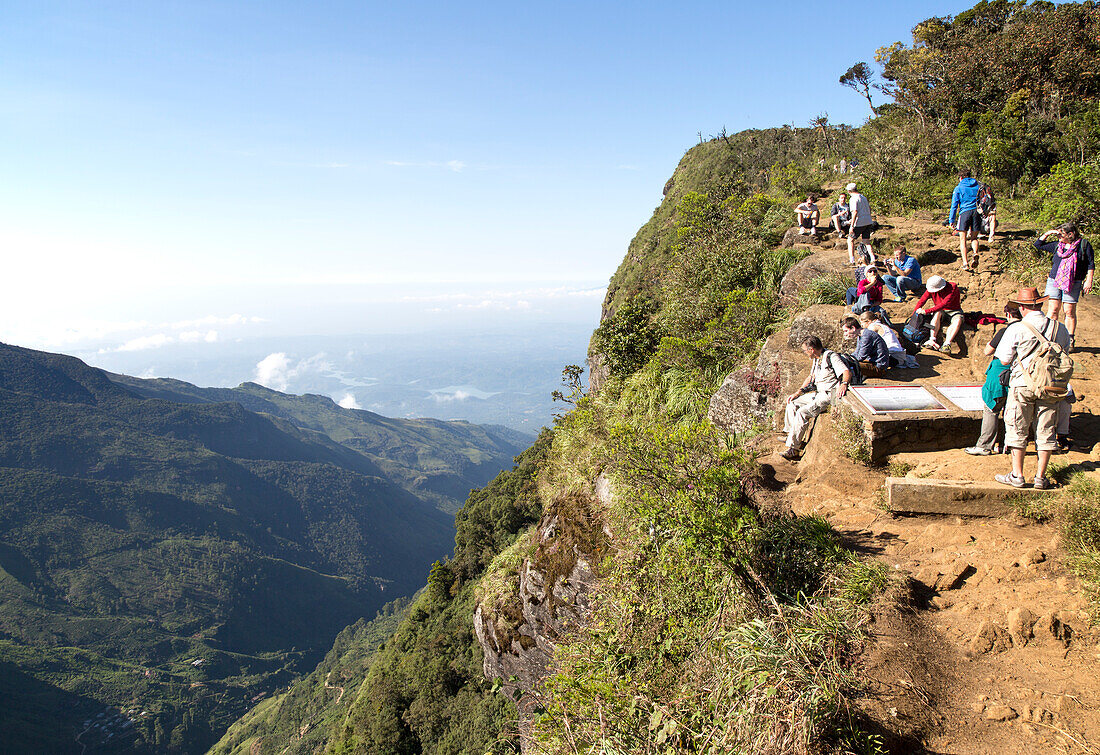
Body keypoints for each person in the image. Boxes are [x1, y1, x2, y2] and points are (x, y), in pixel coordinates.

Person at [993, 287, 1071, 489]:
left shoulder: (1016, 328)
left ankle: (1017, 475)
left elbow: (1004, 359)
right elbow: (1065, 351)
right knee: (1046, 429)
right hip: (1050, 385)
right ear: (1040, 304)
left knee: (1017, 426)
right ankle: (1040, 477)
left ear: (1021, 307)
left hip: (1022, 383)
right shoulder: (1059, 328)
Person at [780, 336, 852, 461]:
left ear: (811, 349)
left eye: (805, 350)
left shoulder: (831, 357)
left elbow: (845, 371)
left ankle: (793, 449)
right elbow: (810, 377)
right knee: (792, 403)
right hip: (818, 392)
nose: (804, 353)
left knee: (802, 412)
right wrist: (798, 393)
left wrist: (844, 384)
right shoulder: (816, 359)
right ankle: (792, 436)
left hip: (828, 394)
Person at [965, 306, 1021, 456]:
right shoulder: (1029, 330)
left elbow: (987, 350)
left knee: (992, 409)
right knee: (1013, 410)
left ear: (1008, 314)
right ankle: (1008, 444)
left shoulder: (1005, 331)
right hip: (1020, 374)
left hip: (1000, 373)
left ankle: (984, 445)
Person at [1036, 222, 1095, 352]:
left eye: (1061, 234)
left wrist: (1089, 280)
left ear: (1070, 234)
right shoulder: (1058, 245)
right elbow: (1038, 245)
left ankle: (1069, 340)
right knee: (1053, 310)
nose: (1059, 236)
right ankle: (1050, 338)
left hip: (1074, 281)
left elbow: (1091, 264)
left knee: (1069, 311)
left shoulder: (1083, 246)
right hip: (1054, 280)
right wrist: (1048, 233)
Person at [912, 275, 964, 354]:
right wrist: (914, 315)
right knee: (937, 314)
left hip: (954, 310)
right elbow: (922, 301)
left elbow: (944, 303)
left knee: (958, 320)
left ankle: (947, 344)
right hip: (940, 310)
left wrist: (927, 311)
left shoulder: (952, 287)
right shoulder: (931, 288)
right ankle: (932, 339)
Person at [947, 169, 981, 271]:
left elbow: (954, 205)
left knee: (963, 239)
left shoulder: (958, 188)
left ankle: (965, 263)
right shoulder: (978, 186)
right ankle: (975, 253)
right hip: (976, 212)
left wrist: (951, 220)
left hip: (965, 212)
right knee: (974, 238)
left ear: (961, 178)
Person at [846, 182, 874, 265]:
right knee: (866, 241)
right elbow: (869, 208)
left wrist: (851, 226)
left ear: (849, 191)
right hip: (868, 221)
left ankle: (852, 260)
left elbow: (854, 212)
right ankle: (872, 258)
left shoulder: (853, 199)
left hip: (859, 222)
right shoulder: (863, 197)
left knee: (850, 240)